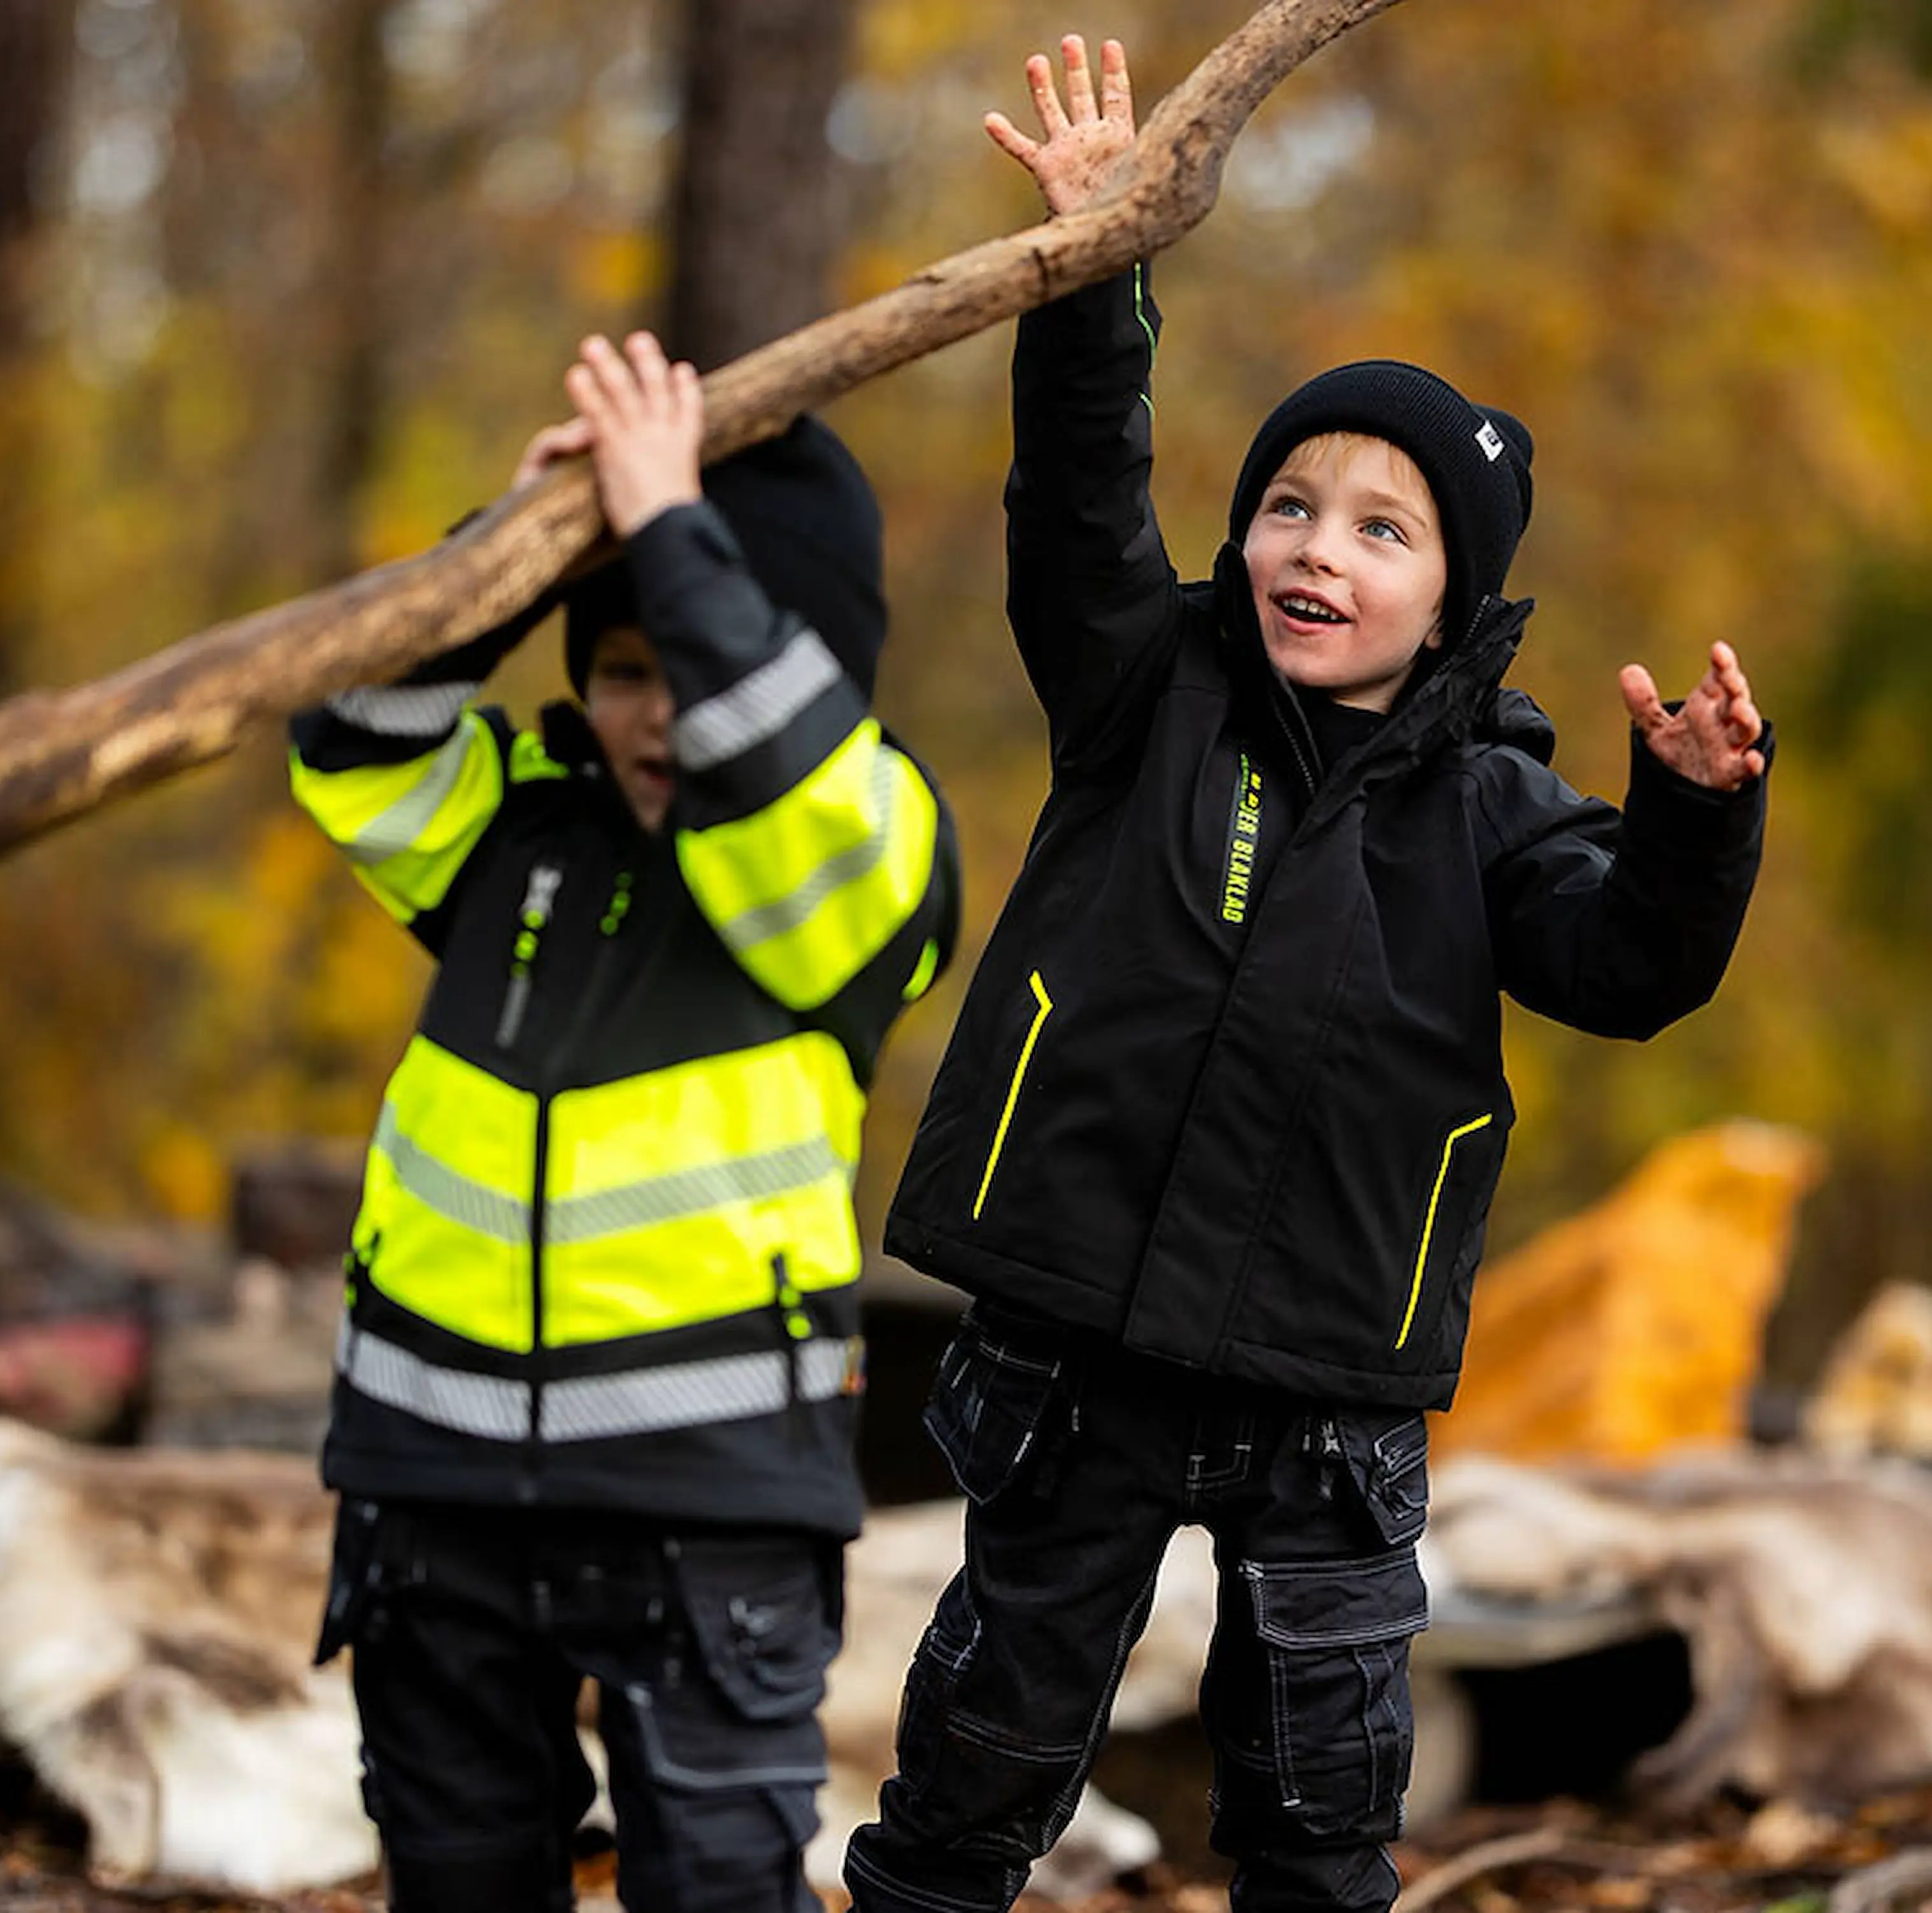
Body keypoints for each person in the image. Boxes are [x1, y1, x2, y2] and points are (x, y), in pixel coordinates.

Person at [844, 35, 1770, 1913]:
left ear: (1458, 591)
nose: (1314, 550)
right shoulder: (1145, 688)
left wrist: (1689, 820)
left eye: (1380, 526)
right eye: (1288, 506)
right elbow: (1082, 500)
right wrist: (1098, 277)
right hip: (1076, 1346)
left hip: (1327, 1389)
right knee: (980, 1759)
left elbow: (1629, 969)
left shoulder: (1501, 805)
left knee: (1322, 1809)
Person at [292, 330, 960, 1913]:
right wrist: (509, 559)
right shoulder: (511, 816)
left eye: (691, 656)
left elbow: (789, 787)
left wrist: (673, 534)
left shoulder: (867, 841)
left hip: (704, 1492)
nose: (657, 712)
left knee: (716, 1882)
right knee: (455, 1871)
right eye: (623, 668)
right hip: (429, 1475)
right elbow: (348, 731)